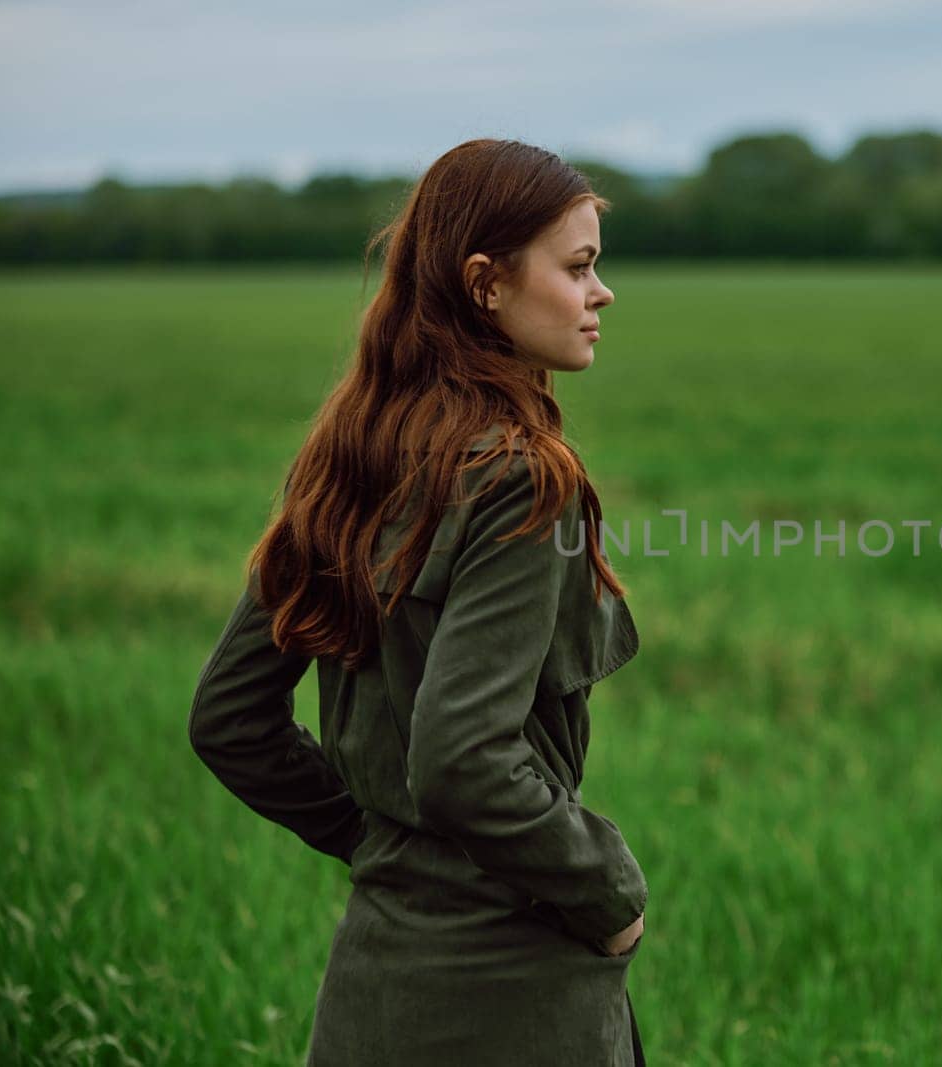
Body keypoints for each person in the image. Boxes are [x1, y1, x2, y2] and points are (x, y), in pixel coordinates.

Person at [187, 138, 649, 1066]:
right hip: (512, 997)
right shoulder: (521, 480)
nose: (603, 294)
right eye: (579, 267)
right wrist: (609, 894)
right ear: (485, 283)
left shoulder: (353, 457)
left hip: (374, 987)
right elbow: (464, 757)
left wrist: (377, 841)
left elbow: (229, 718)